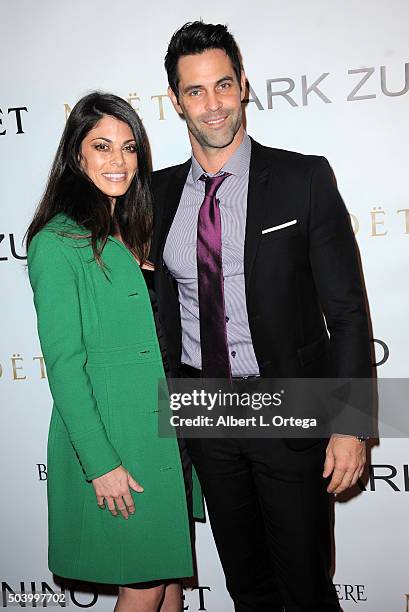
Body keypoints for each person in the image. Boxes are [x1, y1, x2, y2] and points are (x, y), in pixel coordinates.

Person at [151, 21, 372, 612]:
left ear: (243, 85)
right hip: (204, 410)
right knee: (246, 587)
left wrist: (351, 424)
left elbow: (347, 312)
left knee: (304, 587)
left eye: (223, 85)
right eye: (195, 91)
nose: (213, 103)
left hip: (288, 405)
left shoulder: (303, 178)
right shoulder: (157, 194)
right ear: (175, 101)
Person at [26, 92, 198, 612]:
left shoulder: (137, 229)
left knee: (166, 584)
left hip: (166, 434)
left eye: (128, 148)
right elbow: (64, 367)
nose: (118, 161)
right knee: (143, 587)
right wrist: (100, 463)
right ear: (76, 156)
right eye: (102, 147)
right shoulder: (57, 242)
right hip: (117, 440)